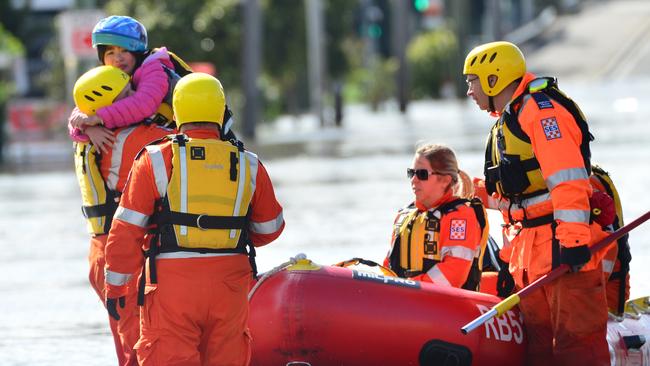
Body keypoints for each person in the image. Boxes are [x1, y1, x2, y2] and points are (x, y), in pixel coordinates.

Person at [104, 73, 285, 365]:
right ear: (222, 112)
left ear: (176, 113)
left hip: (172, 285)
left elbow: (126, 232)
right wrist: (226, 233)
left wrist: (116, 289)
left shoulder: (154, 160)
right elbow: (270, 228)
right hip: (230, 283)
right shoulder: (249, 163)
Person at [464, 41, 611, 365]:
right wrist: (471, 191)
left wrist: (572, 241)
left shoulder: (541, 112)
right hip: (529, 252)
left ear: (493, 78)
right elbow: (522, 197)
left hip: (562, 247)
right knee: (539, 351)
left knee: (578, 347)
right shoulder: (509, 119)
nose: (469, 91)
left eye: (472, 81)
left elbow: (568, 179)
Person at [72, 65, 174, 366]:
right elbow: (184, 142)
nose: (136, 100)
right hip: (119, 254)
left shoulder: (92, 138)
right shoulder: (124, 140)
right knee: (139, 347)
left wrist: (85, 124)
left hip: (106, 250)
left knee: (129, 346)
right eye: (126, 95)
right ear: (105, 107)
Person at [68, 15, 182, 150]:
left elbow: (144, 104)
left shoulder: (153, 68)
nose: (118, 58)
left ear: (137, 53)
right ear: (102, 58)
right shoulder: (108, 77)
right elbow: (80, 111)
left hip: (184, 141)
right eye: (110, 52)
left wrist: (98, 117)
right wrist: (87, 128)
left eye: (124, 50)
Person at [385, 144, 489, 290]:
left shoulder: (459, 218)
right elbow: (388, 266)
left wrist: (410, 287)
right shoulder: (404, 216)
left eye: (422, 174)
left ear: (445, 180)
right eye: (411, 173)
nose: (414, 180)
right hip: (404, 299)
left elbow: (454, 274)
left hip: (444, 303)